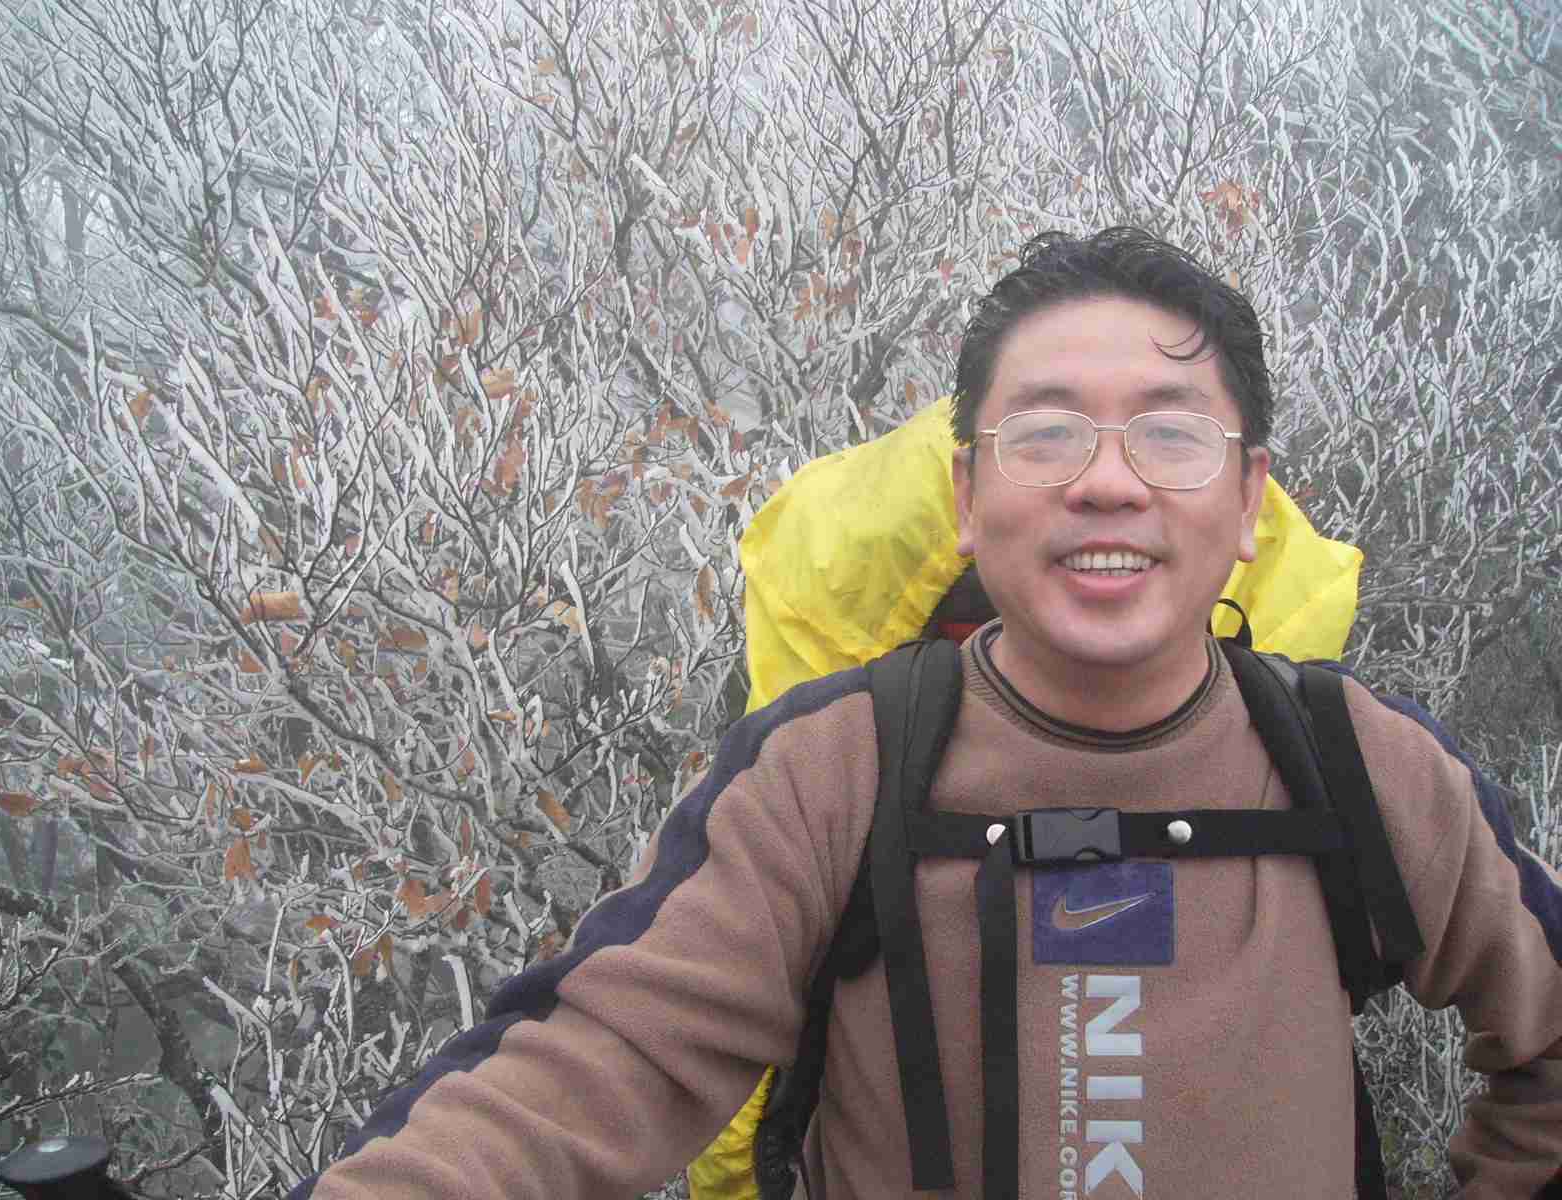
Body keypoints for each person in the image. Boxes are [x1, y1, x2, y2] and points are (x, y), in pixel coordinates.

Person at [294, 228, 1562, 1199]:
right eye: (1045, 434)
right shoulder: (831, 773)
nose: (1106, 482)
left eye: (1170, 436)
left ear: (1246, 501)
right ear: (963, 496)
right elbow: (586, 1070)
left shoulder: (1361, 767)